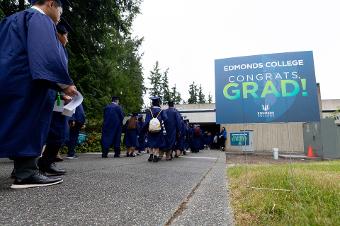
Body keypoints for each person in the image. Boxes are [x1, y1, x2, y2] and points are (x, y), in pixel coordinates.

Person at [0, 0, 77, 189]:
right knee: (29, 121)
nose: (60, 14)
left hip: (8, 78)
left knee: (8, 120)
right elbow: (45, 54)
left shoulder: (10, 20)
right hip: (28, 82)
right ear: (50, 3)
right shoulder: (40, 19)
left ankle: (21, 169)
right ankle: (26, 173)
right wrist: (64, 83)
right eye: (60, 8)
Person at [38, 19, 72, 175]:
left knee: (52, 129)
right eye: (66, 35)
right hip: (53, 95)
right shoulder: (53, 48)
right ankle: (43, 164)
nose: (67, 39)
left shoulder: (59, 50)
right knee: (55, 129)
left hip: (55, 96)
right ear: (59, 34)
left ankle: (40, 163)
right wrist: (63, 92)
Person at [143, 97, 168, 162]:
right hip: (158, 129)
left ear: (152, 103)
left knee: (151, 141)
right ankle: (155, 156)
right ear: (158, 103)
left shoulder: (149, 110)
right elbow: (165, 119)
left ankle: (151, 155)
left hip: (150, 129)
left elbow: (146, 121)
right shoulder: (161, 111)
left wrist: (145, 129)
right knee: (157, 142)